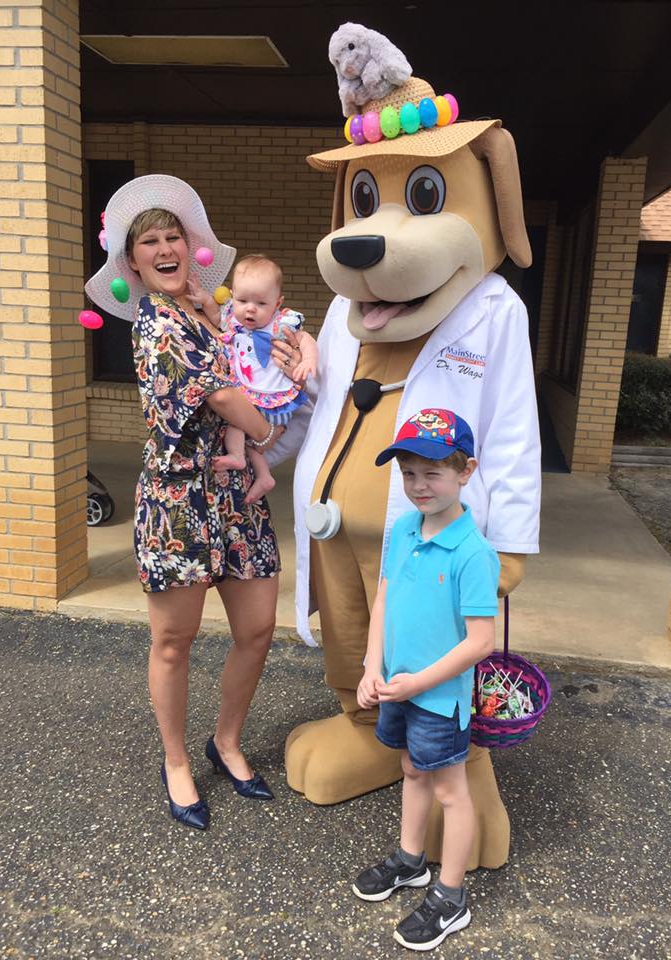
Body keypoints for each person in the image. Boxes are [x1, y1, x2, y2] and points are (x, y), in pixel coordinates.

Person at [84, 175, 305, 830]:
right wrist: (268, 432)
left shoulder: (212, 308)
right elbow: (222, 394)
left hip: (237, 496)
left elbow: (280, 328)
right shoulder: (155, 325)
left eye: (171, 235)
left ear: (189, 244)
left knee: (258, 627)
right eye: (148, 241)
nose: (163, 247)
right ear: (132, 262)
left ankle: (227, 741)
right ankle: (177, 760)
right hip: (178, 500)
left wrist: (305, 343)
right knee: (174, 641)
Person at [352, 408, 499, 951]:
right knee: (411, 769)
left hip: (437, 698)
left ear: (466, 471)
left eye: (432, 472)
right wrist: (373, 666)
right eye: (409, 472)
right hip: (398, 686)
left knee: (451, 791)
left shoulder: (473, 552)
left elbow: (480, 642)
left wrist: (417, 684)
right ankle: (411, 862)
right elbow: (385, 598)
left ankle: (451, 896)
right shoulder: (404, 528)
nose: (418, 485)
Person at [192, 254, 317, 504]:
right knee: (248, 437)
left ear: (277, 303)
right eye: (242, 300)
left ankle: (240, 459)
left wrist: (308, 360)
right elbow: (217, 317)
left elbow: (305, 339)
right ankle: (263, 475)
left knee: (237, 422)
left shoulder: (279, 324)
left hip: (272, 398)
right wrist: (205, 299)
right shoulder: (234, 323)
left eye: (261, 303)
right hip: (252, 393)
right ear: (231, 295)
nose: (250, 308)